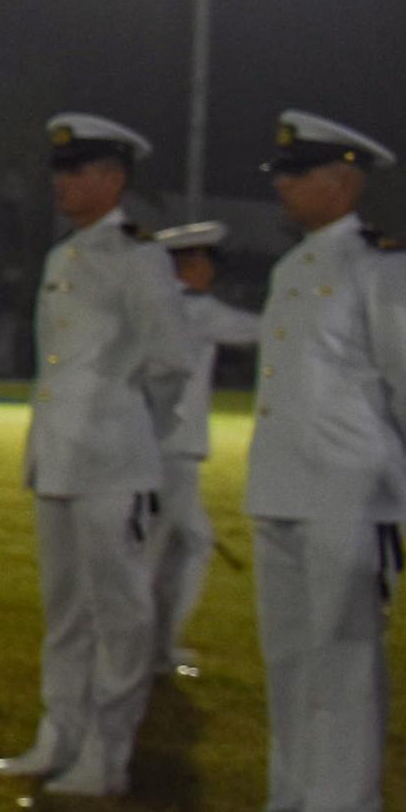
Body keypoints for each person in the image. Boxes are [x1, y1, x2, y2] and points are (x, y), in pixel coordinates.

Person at [209, 112, 406, 812]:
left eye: (297, 174)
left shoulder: (380, 266)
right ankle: (288, 811)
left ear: (342, 180)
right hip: (286, 487)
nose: (284, 186)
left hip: (353, 494)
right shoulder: (291, 269)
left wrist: (396, 483)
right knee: (290, 660)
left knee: (347, 665)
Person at [0, 114, 196, 794]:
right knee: (65, 611)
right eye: (59, 168)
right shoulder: (64, 256)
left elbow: (171, 359)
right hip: (58, 459)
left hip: (112, 462)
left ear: (114, 178)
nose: (62, 181)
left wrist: (134, 428)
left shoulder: (139, 257)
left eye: (77, 169)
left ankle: (107, 755)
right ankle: (59, 737)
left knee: (120, 612)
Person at [147, 219, 261, 681]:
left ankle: (157, 646)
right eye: (206, 262)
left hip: (155, 444)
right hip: (173, 449)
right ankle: (145, 650)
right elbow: (262, 330)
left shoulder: (154, 305)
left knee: (186, 542)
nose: (210, 273)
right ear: (190, 264)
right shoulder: (195, 309)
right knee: (162, 552)